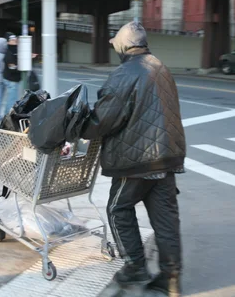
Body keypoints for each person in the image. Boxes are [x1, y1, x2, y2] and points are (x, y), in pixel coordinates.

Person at [79, 21, 185, 296]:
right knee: (165, 219)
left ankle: (135, 265)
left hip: (136, 160)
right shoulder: (160, 67)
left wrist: (81, 128)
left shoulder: (125, 73)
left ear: (124, 46)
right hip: (167, 157)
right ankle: (170, 278)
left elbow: (103, 119)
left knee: (118, 209)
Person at [3, 33, 21, 115]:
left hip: (13, 79)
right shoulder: (9, 52)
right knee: (12, 99)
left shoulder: (15, 50)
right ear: (8, 42)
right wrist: (20, 67)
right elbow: (12, 67)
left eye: (15, 39)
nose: (15, 41)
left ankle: (7, 115)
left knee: (12, 98)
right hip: (11, 79)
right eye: (12, 40)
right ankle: (7, 116)